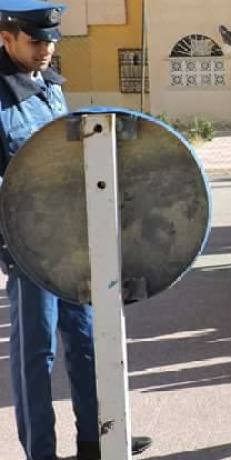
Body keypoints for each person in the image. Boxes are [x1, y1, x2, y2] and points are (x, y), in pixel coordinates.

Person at [0, 1, 152, 458]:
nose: (46, 49)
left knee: (87, 338)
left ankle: (99, 437)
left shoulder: (49, 85)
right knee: (36, 353)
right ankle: (41, 451)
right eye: (35, 41)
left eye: (51, 40)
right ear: (5, 38)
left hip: (75, 239)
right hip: (29, 245)